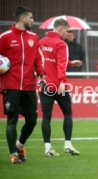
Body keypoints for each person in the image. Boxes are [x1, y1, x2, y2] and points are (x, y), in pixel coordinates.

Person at [0, 6, 44, 163]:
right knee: (12, 120)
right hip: (11, 85)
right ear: (22, 18)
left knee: (32, 120)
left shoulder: (34, 37)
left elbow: (38, 59)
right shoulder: (5, 37)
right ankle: (13, 155)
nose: (33, 20)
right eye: (31, 17)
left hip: (29, 86)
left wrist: (42, 75)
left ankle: (19, 145)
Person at [39, 18, 82, 156]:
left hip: (45, 85)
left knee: (46, 116)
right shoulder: (61, 44)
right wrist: (62, 82)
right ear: (61, 29)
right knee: (68, 113)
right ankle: (68, 145)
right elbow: (60, 64)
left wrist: (70, 63)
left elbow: (49, 61)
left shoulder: (41, 42)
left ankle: (47, 148)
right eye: (67, 31)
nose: (68, 34)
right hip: (59, 85)